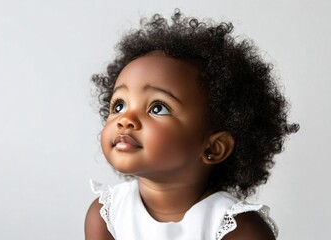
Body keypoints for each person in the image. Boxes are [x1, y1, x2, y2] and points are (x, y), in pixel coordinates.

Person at [84, 9, 299, 240]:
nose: (124, 120)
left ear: (213, 148)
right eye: (119, 106)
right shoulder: (106, 214)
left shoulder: (239, 230)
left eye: (158, 108)